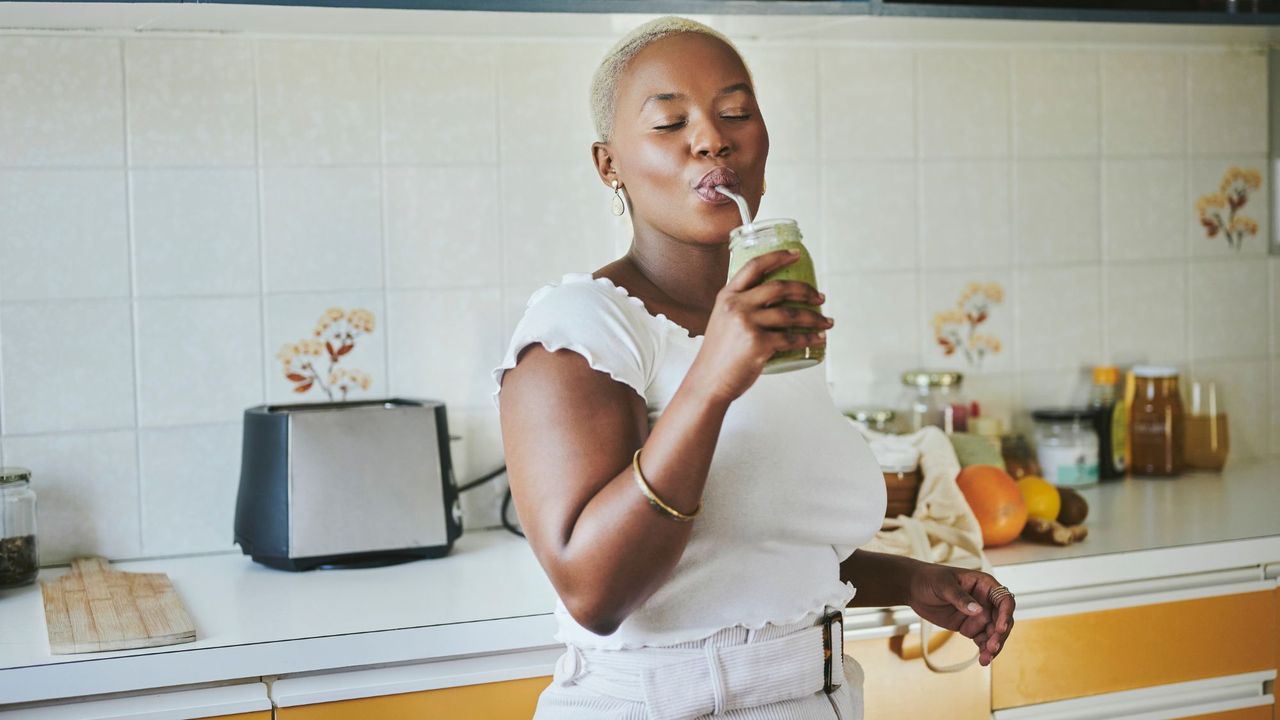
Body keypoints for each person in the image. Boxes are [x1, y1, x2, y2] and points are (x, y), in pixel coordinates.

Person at [493, 16, 1016, 720]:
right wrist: (711, 380)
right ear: (608, 164)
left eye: (735, 113)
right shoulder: (581, 327)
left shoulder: (762, 323)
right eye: (669, 123)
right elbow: (596, 593)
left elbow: (754, 556)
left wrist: (914, 581)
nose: (712, 138)